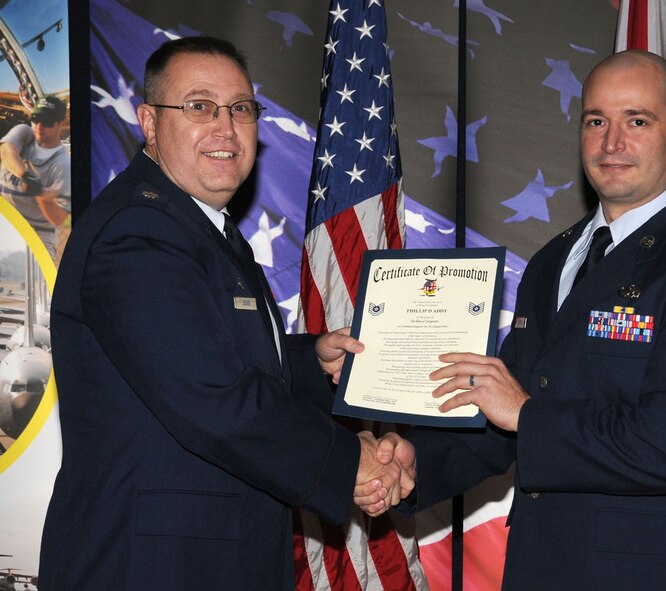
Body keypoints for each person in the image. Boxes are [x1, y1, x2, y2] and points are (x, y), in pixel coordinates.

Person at [375, 50, 666, 590]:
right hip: (538, 568)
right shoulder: (554, 260)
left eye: (637, 120)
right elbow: (506, 412)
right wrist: (413, 464)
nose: (612, 143)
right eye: (596, 121)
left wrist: (525, 414)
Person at [39, 36, 407, 590]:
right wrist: (346, 462)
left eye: (240, 109)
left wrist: (311, 361)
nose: (225, 127)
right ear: (149, 121)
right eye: (199, 106)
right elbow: (212, 395)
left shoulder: (201, 228)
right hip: (148, 566)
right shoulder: (137, 233)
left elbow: (211, 353)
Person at [0, 95, 71, 263]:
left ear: (61, 123)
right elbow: (6, 152)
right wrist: (28, 178)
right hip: (5, 222)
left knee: (42, 286)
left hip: (37, 234)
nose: (39, 126)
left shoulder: (63, 165)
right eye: (35, 119)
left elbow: (62, 221)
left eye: (47, 121)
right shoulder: (25, 133)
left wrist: (44, 200)